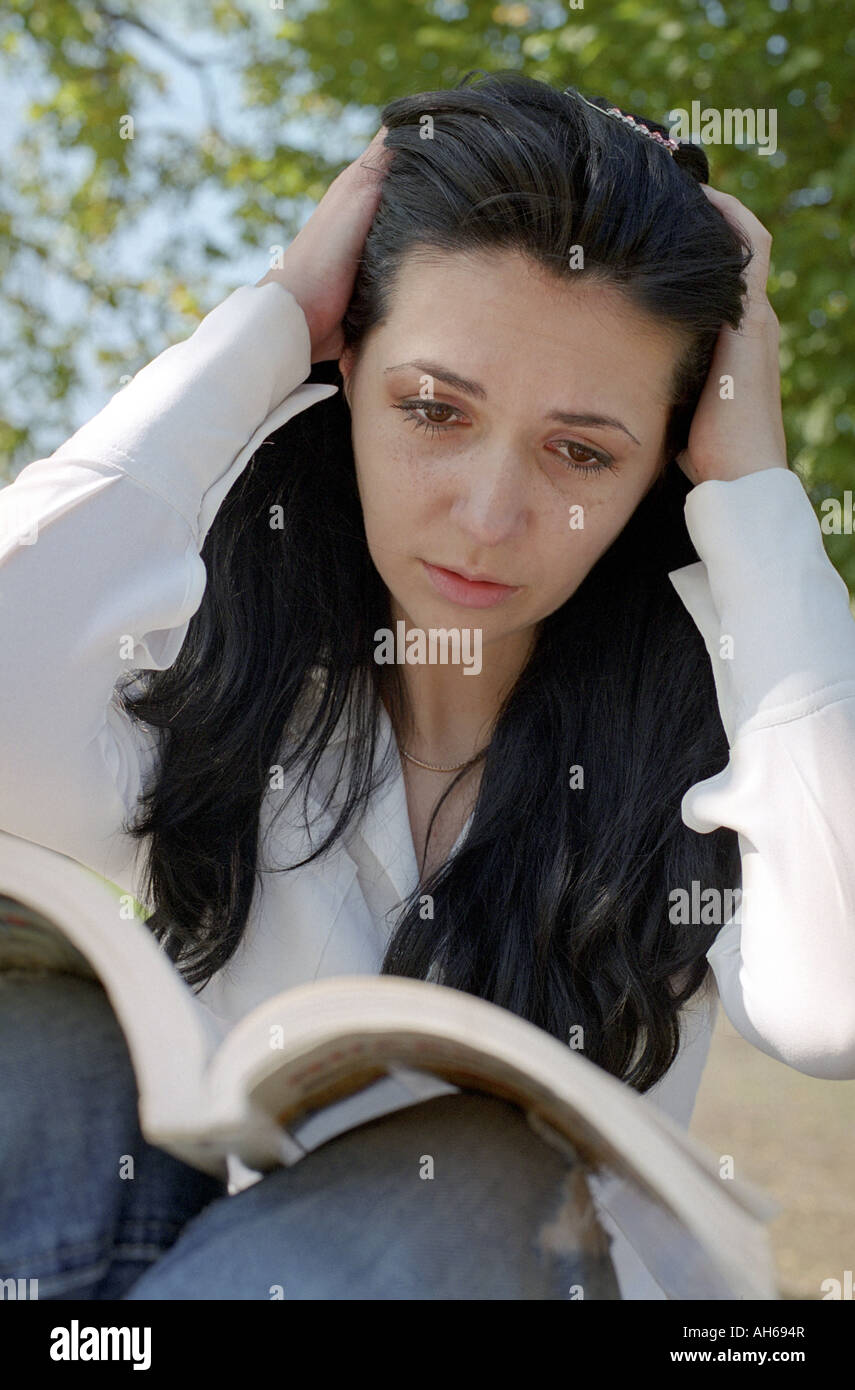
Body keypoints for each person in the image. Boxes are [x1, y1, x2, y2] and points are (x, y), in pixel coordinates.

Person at [1, 70, 854, 1300]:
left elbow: (831, 1005)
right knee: (36, 1051)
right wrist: (275, 318)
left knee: (469, 1171)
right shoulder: (222, 675)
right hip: (186, 1266)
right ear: (346, 367)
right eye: (433, 408)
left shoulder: (712, 741)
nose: (490, 515)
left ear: (666, 461)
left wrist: (758, 492)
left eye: (581, 449)